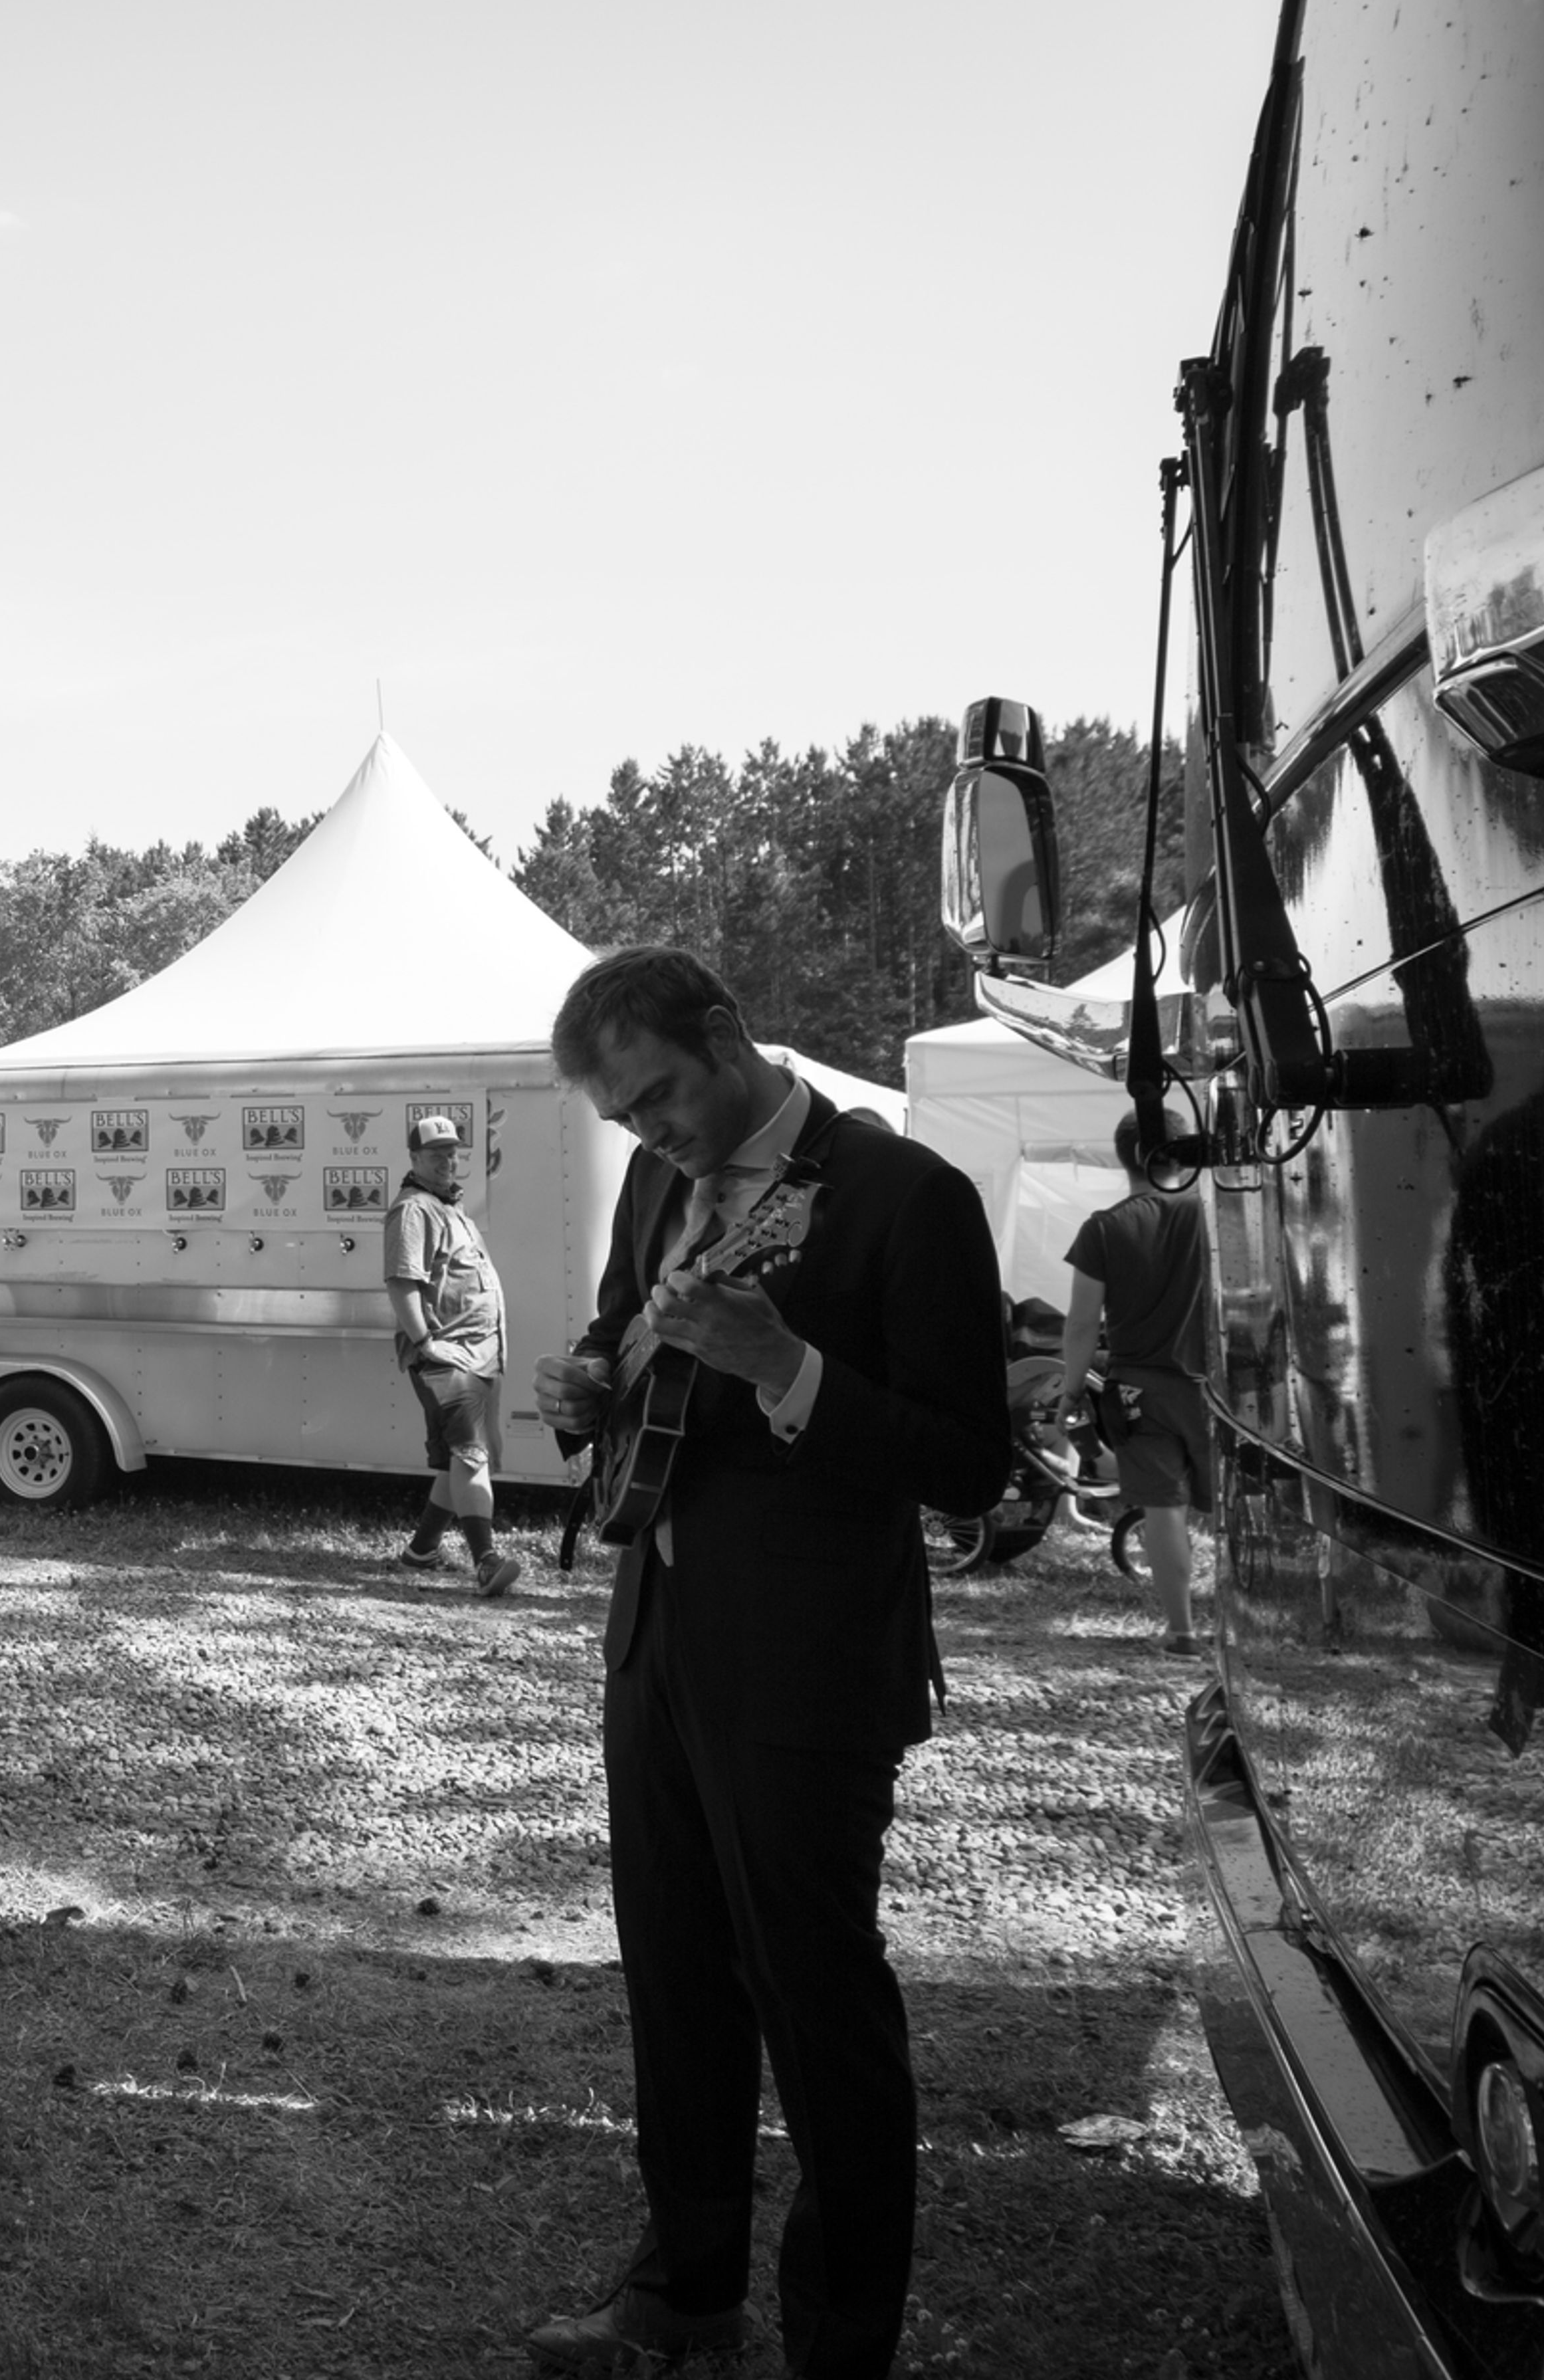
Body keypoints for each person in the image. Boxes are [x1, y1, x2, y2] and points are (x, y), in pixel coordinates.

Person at [523, 949, 1006, 2380]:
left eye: (660, 1096)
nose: (649, 1132)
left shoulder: (906, 1197)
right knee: (675, 1980)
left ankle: (839, 2343)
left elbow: (971, 1463)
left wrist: (788, 1370)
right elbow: (623, 1353)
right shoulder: (657, 1188)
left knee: (817, 2001)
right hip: (656, 1641)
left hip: (807, 1670)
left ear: (727, 1035)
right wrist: (583, 1387)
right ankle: (684, 2292)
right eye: (624, 1117)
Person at [1061, 1111, 1213, 1655]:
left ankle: (1182, 1632)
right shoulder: (1214, 1216)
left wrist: (1070, 1390)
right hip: (1217, 1392)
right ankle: (1256, 1629)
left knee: (1164, 1510)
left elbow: (1081, 1324)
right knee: (1249, 1512)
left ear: (1124, 1156)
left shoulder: (1104, 1228)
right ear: (1186, 1154)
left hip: (1138, 1394)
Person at [385, 1111, 524, 1598]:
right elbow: (403, 1282)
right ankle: (485, 1560)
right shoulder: (414, 1210)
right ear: (415, 1157)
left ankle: (421, 1551)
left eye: (453, 1151)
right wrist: (425, 1343)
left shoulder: (448, 1206)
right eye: (437, 1152)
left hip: (476, 1353)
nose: (448, 1159)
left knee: (453, 1460)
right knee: (470, 1454)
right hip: (449, 1357)